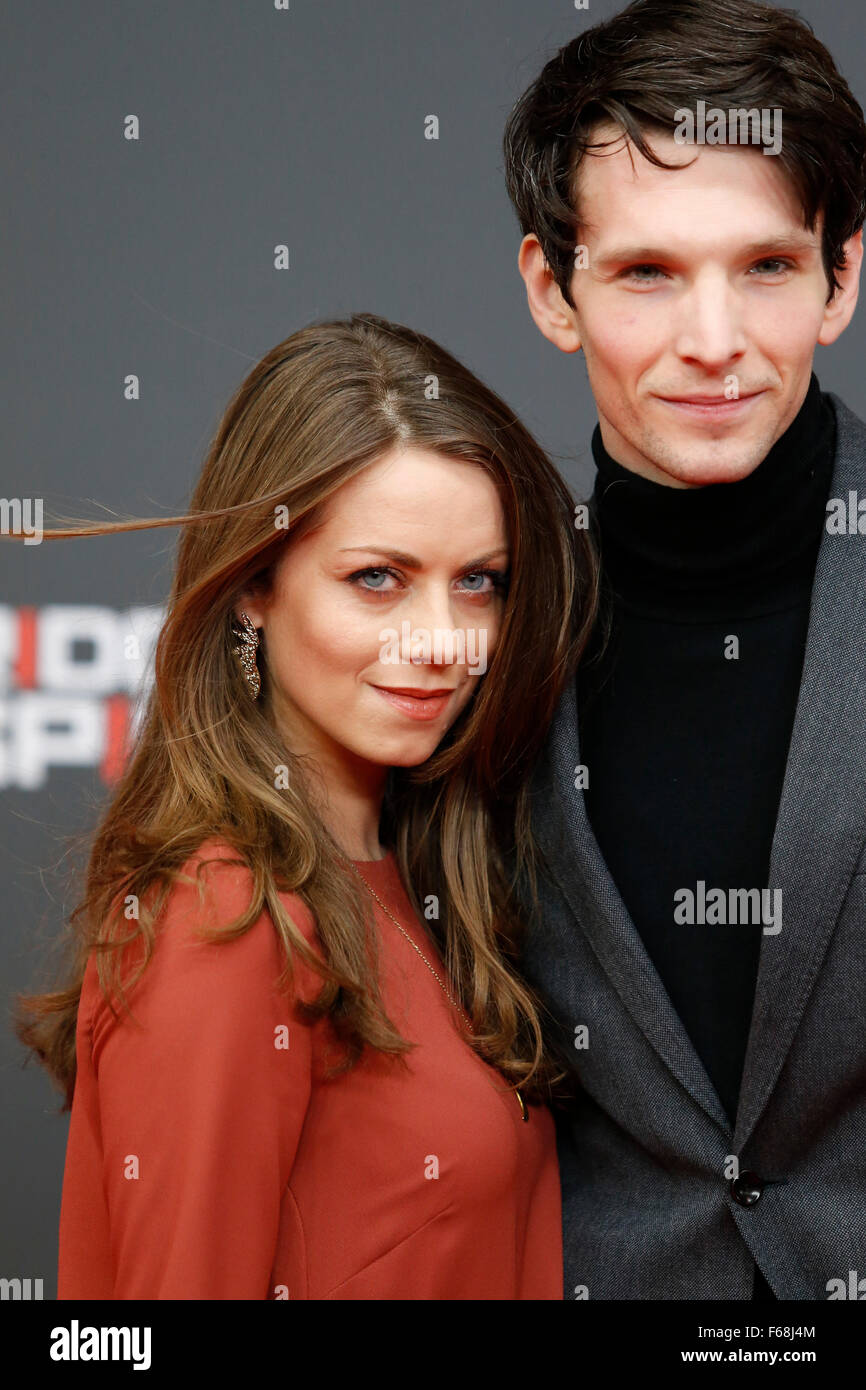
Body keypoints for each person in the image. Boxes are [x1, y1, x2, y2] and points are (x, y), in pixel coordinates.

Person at [12, 312, 598, 1299]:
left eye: (477, 583)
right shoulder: (229, 918)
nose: (442, 641)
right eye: (377, 579)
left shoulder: (426, 885)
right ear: (253, 586)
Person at [502, 0, 866, 1300]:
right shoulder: (478, 622)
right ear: (553, 290)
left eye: (763, 266)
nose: (710, 343)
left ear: (840, 276)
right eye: (647, 273)